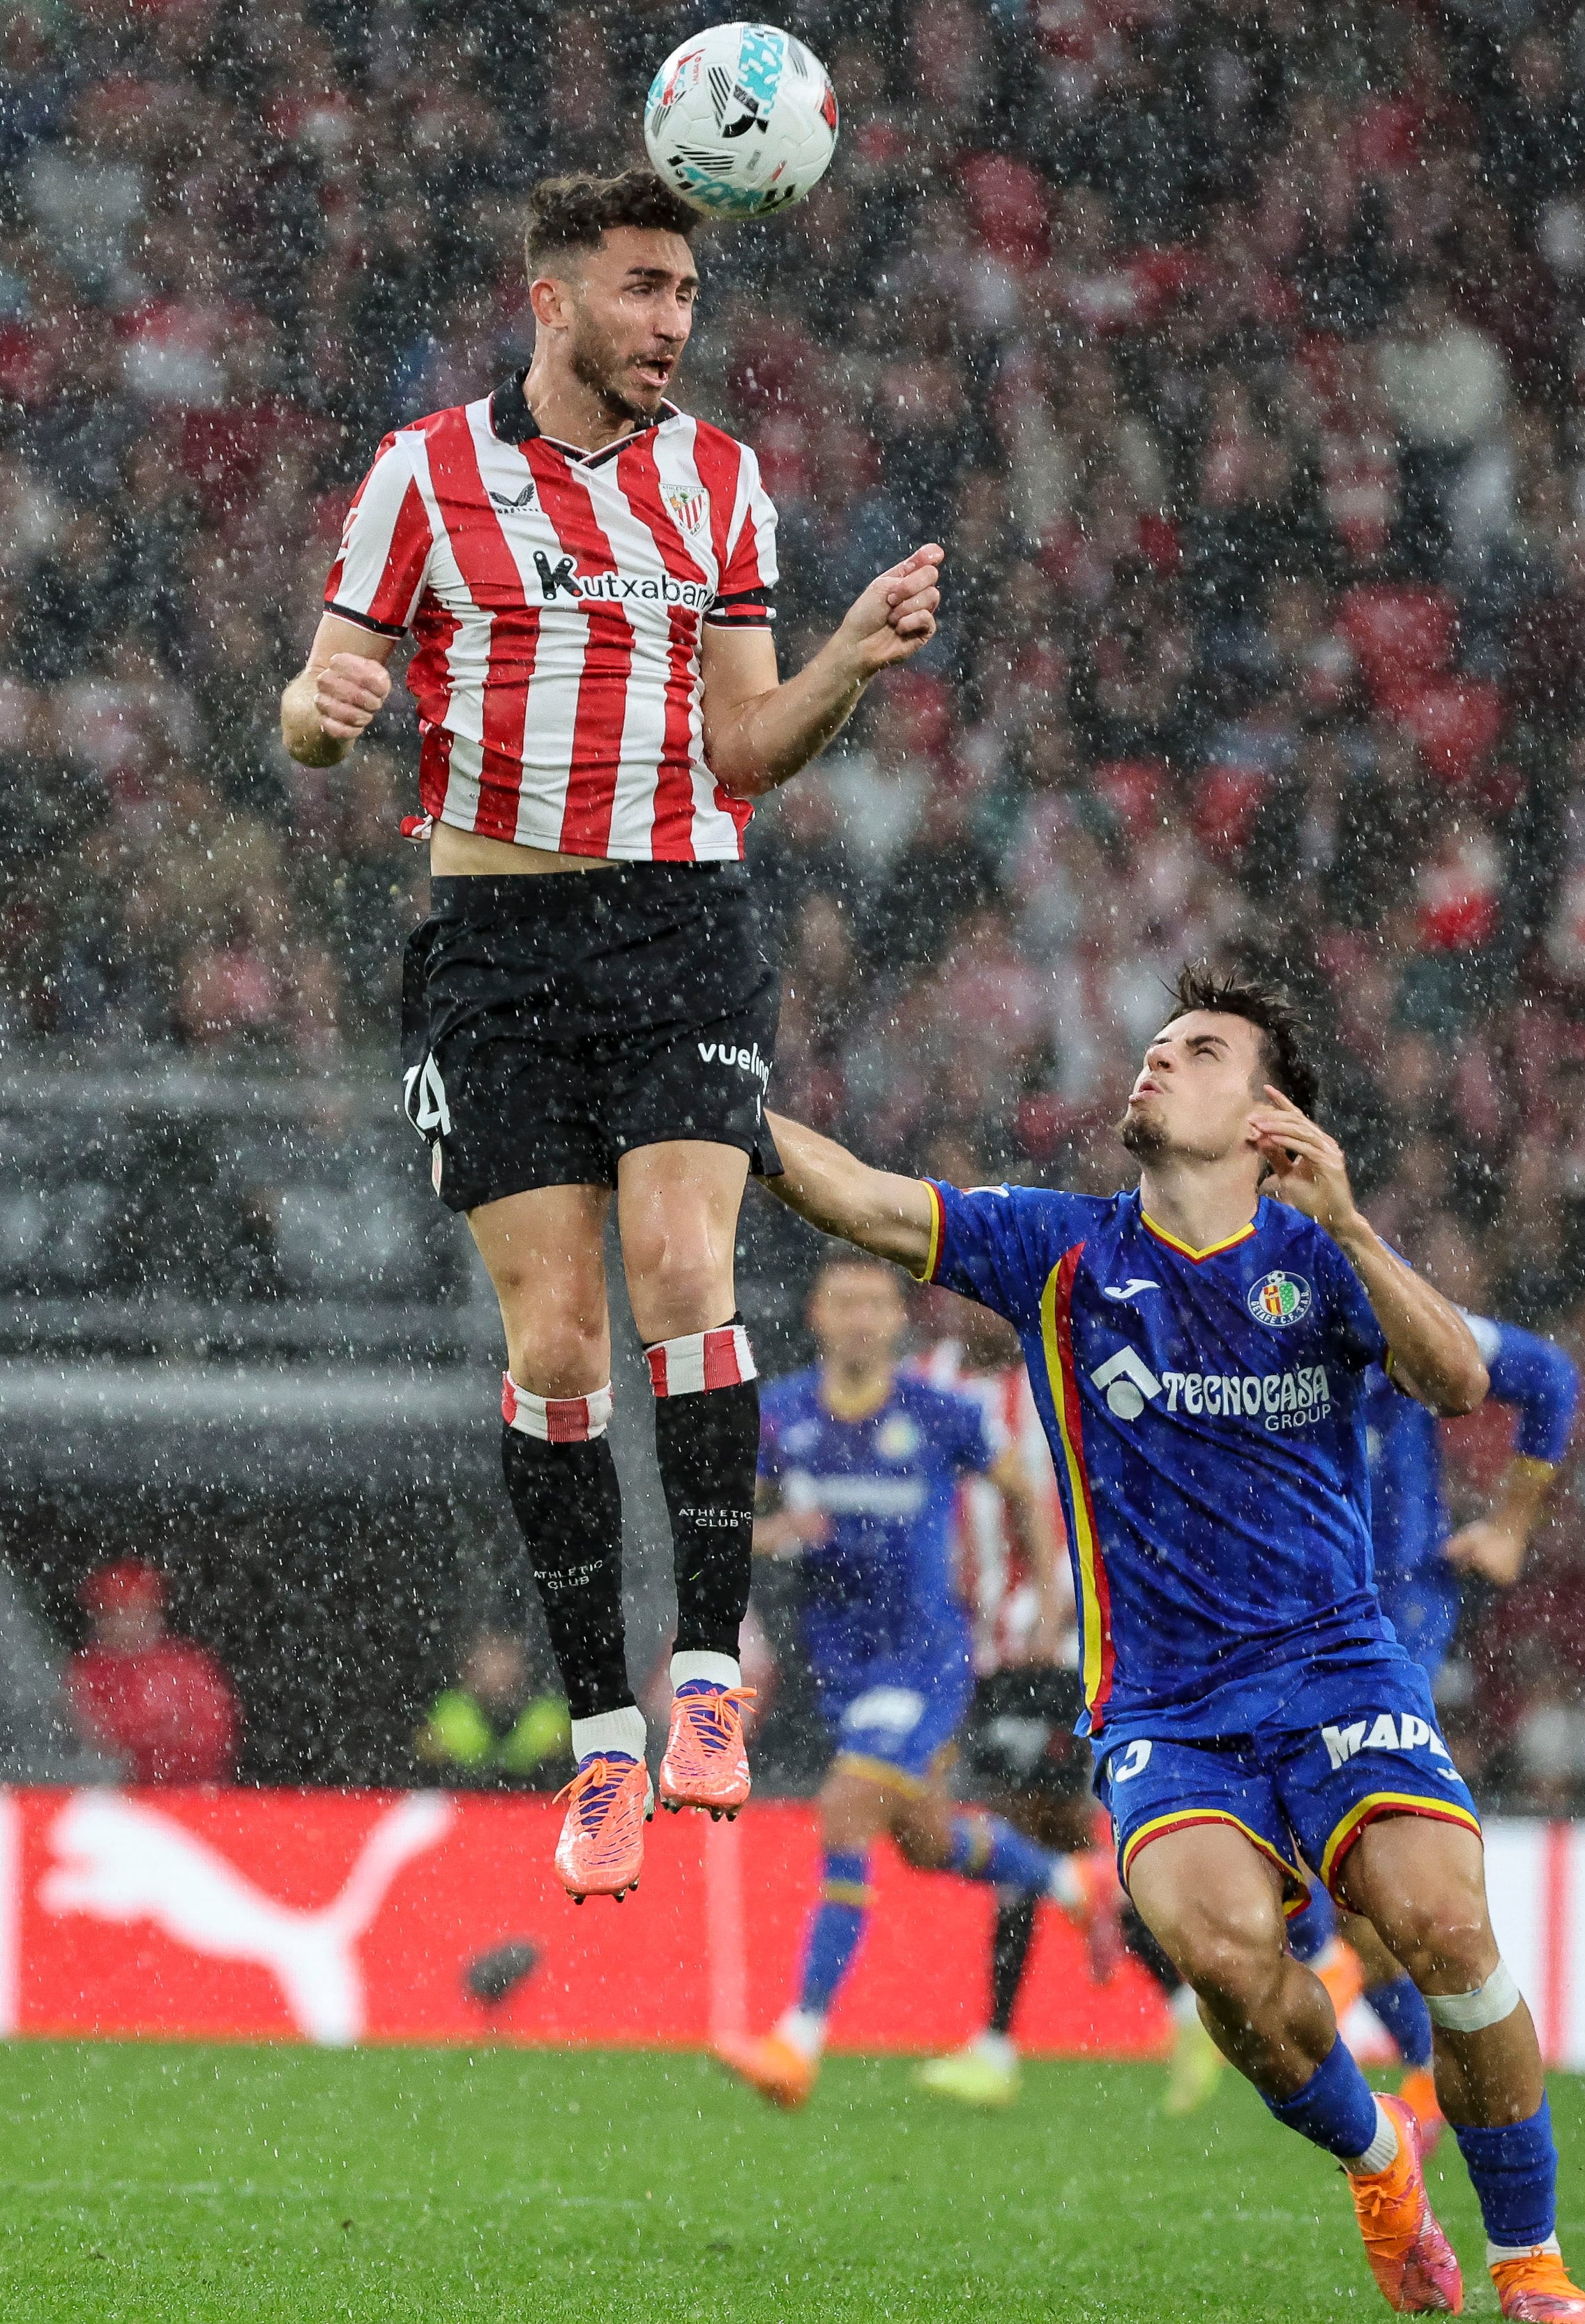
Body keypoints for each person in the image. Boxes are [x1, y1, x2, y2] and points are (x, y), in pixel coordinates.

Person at [745, 964, 1585, 2324]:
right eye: (1153, 1043)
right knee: (1229, 1975)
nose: (1154, 1059)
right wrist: (710, 1093)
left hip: (1337, 1669)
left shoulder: (1318, 1259)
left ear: (1266, 1116)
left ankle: (1533, 2266)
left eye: (1196, 1049)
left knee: (1440, 1922)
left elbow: (1454, 1382)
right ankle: (1381, 2163)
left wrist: (1355, 1224)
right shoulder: (1060, 1247)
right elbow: (852, 1190)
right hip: (1163, 1703)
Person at [280, 168, 946, 1899]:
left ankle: (705, 1682)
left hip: (675, 918)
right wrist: (318, 708)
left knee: (680, 1268)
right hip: (492, 937)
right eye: (644, 289)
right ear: (551, 296)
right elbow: (315, 705)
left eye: (687, 297)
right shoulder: (423, 475)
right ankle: (599, 1746)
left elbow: (743, 748)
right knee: (559, 1342)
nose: (671, 324)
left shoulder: (718, 483)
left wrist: (853, 665)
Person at [1130, 1295, 1582, 2138]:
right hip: (1260, 1634)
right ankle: (1411, 2073)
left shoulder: (1370, 1300)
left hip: (1385, 1621)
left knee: (1362, 1874)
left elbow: (1548, 1376)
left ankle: (1370, 2033)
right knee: (1329, 1881)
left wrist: (1511, 1526)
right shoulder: (1197, 1319)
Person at [720, 1254, 1111, 2109]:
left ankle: (798, 2040)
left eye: (875, 1304)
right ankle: (1068, 1881)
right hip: (839, 1666)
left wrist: (1047, 1600)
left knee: (848, 1807)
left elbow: (1023, 1493)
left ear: (898, 1322)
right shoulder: (780, 1416)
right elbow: (727, 1530)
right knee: (927, 1839)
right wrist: (777, 1529)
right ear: (816, 1316)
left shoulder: (939, 1412)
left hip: (927, 1658)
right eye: (843, 1302)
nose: (860, 1318)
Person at [908, 1298, 1122, 2109]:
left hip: (1043, 1644)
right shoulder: (926, 1382)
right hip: (961, 1648)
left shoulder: (1057, 1379)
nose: (969, 1306)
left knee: (1019, 1827)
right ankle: (1185, 1998)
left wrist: (1061, 1601)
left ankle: (997, 2042)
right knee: (1050, 1835)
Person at [67, 1561, 236, 1785]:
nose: (123, 1623)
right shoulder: (87, 1671)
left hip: (189, 1799)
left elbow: (213, 1737)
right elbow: (87, 1741)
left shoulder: (186, 1666)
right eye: (113, 1612)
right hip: (114, 1802)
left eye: (133, 1610)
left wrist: (146, 1741)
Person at [414, 1624, 568, 1788]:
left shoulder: (551, 1716)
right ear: (472, 1663)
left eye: (508, 1655)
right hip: (463, 1805)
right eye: (491, 1656)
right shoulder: (448, 1714)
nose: (501, 1667)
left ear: (523, 1662)